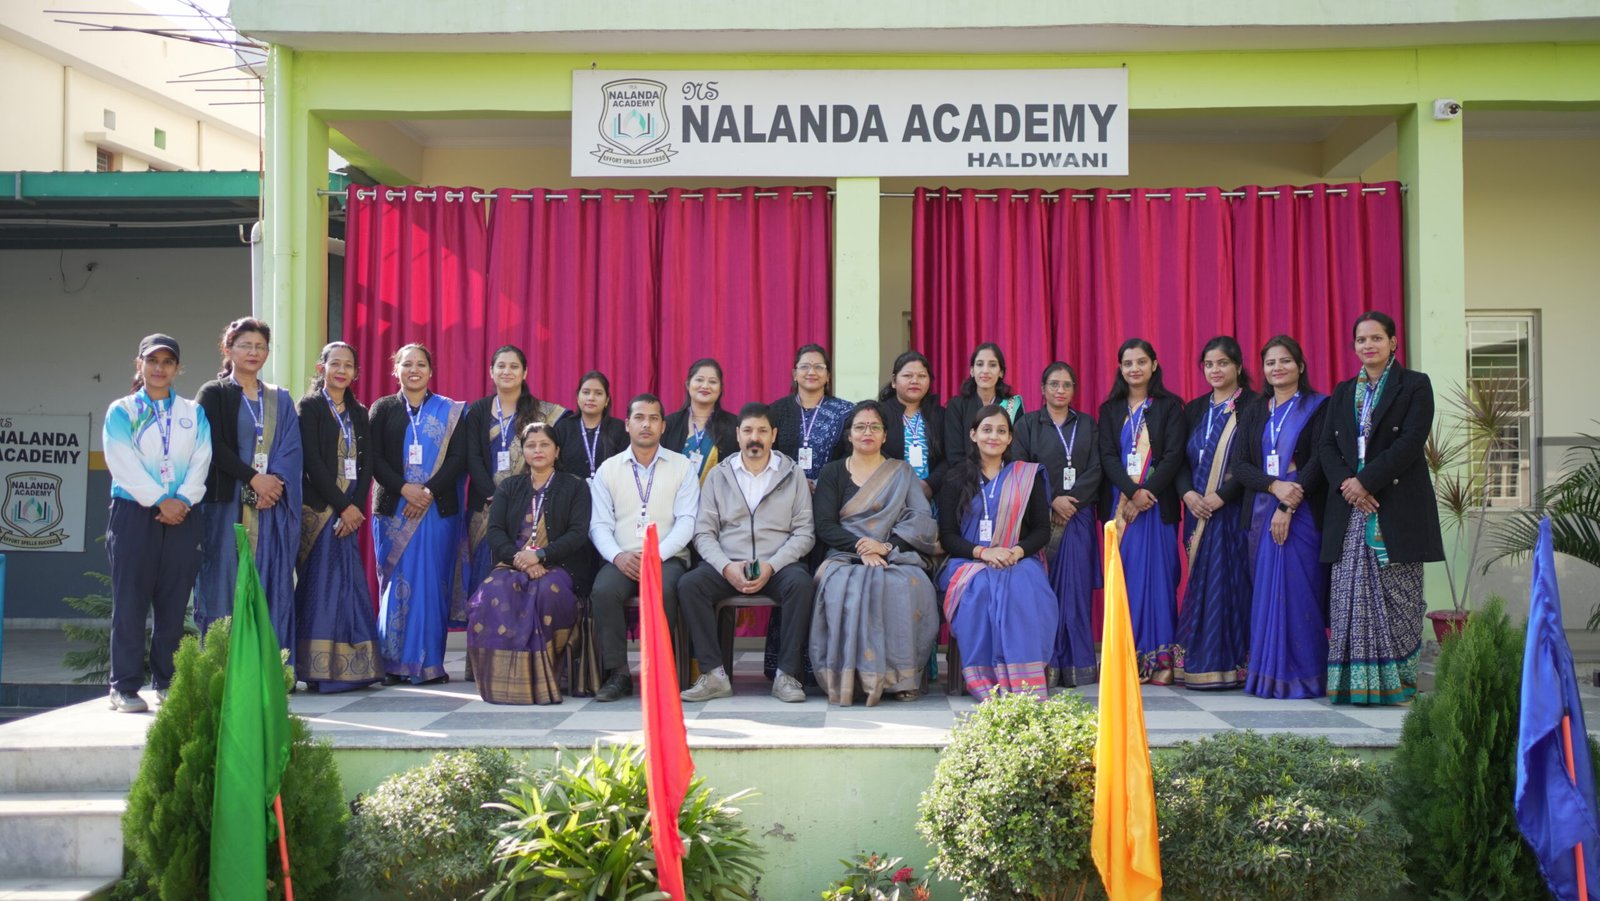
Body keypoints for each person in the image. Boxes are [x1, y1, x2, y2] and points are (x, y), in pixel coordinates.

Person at [1319, 311, 1443, 705]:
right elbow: (1326, 447)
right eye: (1361, 339)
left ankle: (1398, 685)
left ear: (1393, 342)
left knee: (1400, 596)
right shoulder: (1343, 392)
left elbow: (1410, 442)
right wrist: (1349, 485)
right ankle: (1354, 685)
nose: (1368, 345)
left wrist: (1366, 481)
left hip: (1396, 505)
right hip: (1350, 508)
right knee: (1349, 595)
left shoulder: (1415, 385)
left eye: (1376, 338)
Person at [678, 403, 816, 702]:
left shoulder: (792, 474)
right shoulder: (718, 475)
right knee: (690, 585)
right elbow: (704, 533)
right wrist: (726, 567)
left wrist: (772, 565)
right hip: (729, 563)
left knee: (802, 585)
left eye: (762, 431)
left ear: (773, 435)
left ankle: (786, 676)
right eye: (749, 431)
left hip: (777, 564)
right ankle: (714, 675)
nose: (755, 437)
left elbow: (804, 533)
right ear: (738, 434)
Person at [103, 334, 211, 712]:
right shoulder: (122, 411)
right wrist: (159, 500)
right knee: (130, 603)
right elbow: (121, 461)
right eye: (152, 361)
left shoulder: (192, 412)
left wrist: (182, 500)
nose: (159, 368)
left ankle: (167, 682)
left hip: (183, 513)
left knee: (174, 604)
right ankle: (124, 686)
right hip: (135, 512)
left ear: (178, 368)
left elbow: (201, 459)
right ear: (140, 365)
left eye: (167, 362)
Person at [810, 401, 941, 706]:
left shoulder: (901, 472)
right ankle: (851, 679)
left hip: (893, 553)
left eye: (874, 427)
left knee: (907, 584)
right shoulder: (832, 472)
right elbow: (825, 525)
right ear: (849, 435)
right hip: (844, 554)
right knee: (845, 585)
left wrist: (885, 546)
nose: (867, 432)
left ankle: (901, 680)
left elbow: (921, 519)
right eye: (860, 427)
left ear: (885, 435)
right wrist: (862, 546)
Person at [193, 317, 302, 652]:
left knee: (270, 578)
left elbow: (290, 447)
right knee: (224, 579)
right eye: (245, 345)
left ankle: (270, 663)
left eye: (260, 346)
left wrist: (273, 485)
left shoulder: (280, 399)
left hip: (270, 508)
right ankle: (222, 662)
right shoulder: (214, 393)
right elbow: (213, 445)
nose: (253, 352)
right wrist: (254, 479)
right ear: (228, 349)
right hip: (226, 506)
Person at [466, 422, 593, 705]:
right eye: (531, 445)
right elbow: (495, 532)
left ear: (557, 451)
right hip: (514, 562)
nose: (538, 450)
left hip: (560, 566)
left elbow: (578, 533)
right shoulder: (510, 486)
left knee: (544, 593)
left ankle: (543, 678)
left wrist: (541, 555)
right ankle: (501, 681)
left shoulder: (575, 486)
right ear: (523, 451)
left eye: (544, 444)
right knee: (490, 593)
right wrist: (521, 559)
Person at [938, 405, 1057, 700]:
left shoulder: (1026, 477)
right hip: (969, 561)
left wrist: (1015, 552)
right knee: (980, 587)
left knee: (1024, 585)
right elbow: (948, 535)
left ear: (1010, 438)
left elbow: (1042, 530)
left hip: (1017, 558)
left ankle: (1024, 681)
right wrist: (983, 553)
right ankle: (986, 679)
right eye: (987, 429)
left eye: (1001, 431)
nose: (994, 436)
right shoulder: (955, 478)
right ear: (973, 435)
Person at [588, 393, 701, 702]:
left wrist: (656, 555)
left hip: (667, 557)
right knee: (603, 591)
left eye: (653, 418)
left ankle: (660, 670)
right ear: (627, 424)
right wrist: (617, 556)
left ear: (663, 426)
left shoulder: (682, 467)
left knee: (665, 591)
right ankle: (618, 673)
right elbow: (599, 525)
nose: (646, 425)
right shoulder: (609, 469)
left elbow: (687, 521)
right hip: (622, 556)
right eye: (639, 418)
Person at [1234, 336, 1330, 699]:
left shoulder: (1318, 407)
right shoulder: (1255, 410)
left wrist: (1290, 502)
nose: (1278, 367)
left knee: (1300, 592)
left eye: (1285, 360)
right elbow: (1241, 465)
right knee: (1266, 596)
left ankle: (1305, 678)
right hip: (1261, 513)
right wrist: (1275, 487)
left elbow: (1319, 460)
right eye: (1271, 362)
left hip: (1303, 514)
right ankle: (1268, 677)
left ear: (1300, 366)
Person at [369, 343, 468, 685]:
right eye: (406, 364)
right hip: (393, 507)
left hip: (437, 509)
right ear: (395, 370)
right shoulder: (382, 409)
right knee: (396, 582)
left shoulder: (450, 411)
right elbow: (374, 458)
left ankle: (429, 664)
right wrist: (404, 488)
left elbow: (458, 459)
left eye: (421, 364)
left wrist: (427, 492)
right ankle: (392, 662)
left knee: (432, 584)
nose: (414, 370)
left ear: (431, 370)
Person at [1172, 336, 1259, 690]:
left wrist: (1221, 496)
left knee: (1232, 585)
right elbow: (1178, 460)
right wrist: (1188, 494)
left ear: (1238, 365)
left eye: (1223, 363)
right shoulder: (1194, 409)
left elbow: (1252, 459)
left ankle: (1234, 664)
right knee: (1202, 586)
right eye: (1209, 364)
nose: (1216, 370)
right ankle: (1199, 660)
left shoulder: (1254, 406)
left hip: (1234, 512)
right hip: (1197, 512)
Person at [293, 341, 381, 693]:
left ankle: (355, 669)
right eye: (335, 364)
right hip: (319, 510)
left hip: (350, 513)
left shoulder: (359, 412)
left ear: (356, 373)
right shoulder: (310, 407)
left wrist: (355, 508)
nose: (342, 370)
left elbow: (367, 463)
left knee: (348, 585)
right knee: (321, 586)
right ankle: (318, 671)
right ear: (322, 368)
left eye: (348, 365)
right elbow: (312, 462)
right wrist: (342, 506)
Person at [1098, 338, 1186, 684]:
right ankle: (1128, 660)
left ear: (1154, 364)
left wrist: (1147, 492)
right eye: (1127, 363)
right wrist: (1133, 493)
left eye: (1140, 362)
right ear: (1120, 368)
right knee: (1127, 582)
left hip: (1158, 506)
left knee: (1161, 583)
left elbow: (1173, 456)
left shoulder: (1169, 407)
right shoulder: (1110, 410)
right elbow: (1107, 456)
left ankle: (1162, 663)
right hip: (1122, 510)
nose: (1134, 368)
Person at [463, 346, 567, 624]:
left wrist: (513, 498)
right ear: (491, 371)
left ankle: (521, 641)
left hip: (528, 508)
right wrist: (494, 495)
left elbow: (546, 458)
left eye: (514, 366)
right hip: (485, 507)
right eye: (501, 366)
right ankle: (483, 645)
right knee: (485, 577)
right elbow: (472, 457)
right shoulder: (478, 411)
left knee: (521, 578)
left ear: (525, 372)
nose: (507, 371)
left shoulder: (541, 414)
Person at [1013, 362, 1102, 687]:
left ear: (1074, 389)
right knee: (1043, 594)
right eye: (1054, 384)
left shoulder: (1087, 424)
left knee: (1075, 594)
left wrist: (1070, 501)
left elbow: (1097, 468)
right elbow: (1021, 467)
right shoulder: (1027, 425)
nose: (1060, 390)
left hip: (1078, 517)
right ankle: (1045, 666)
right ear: (1043, 389)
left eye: (1066, 384)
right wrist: (1051, 501)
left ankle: (1077, 667)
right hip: (1041, 518)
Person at [769, 344, 854, 483]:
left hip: (832, 489)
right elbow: (769, 455)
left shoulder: (845, 411)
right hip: (785, 488)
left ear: (828, 376)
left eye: (819, 367)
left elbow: (851, 456)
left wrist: (823, 483)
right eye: (804, 366)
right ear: (794, 374)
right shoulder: (776, 410)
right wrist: (796, 483)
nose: (812, 372)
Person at [876, 351, 948, 502]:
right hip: (888, 495)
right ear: (894, 381)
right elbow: (871, 453)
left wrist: (929, 485)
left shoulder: (940, 415)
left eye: (922, 376)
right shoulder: (879, 414)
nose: (915, 381)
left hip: (930, 497)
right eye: (907, 375)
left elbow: (949, 457)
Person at [944, 342, 1024, 471]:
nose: (985, 370)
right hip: (965, 477)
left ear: (1001, 372)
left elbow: (1017, 451)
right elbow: (954, 455)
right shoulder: (956, 406)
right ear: (972, 371)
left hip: (1005, 477)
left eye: (992, 365)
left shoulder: (1012, 406)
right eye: (980, 364)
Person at [663, 358, 739, 484]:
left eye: (712, 382)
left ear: (720, 388)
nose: (705, 386)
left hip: (717, 496)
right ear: (688, 384)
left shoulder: (734, 425)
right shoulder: (669, 424)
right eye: (699, 380)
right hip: (675, 495)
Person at [553, 370, 627, 479]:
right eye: (586, 392)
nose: (591, 398)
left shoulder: (619, 429)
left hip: (610, 489)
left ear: (607, 400)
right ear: (578, 397)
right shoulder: (563, 428)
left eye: (598, 393)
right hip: (570, 489)